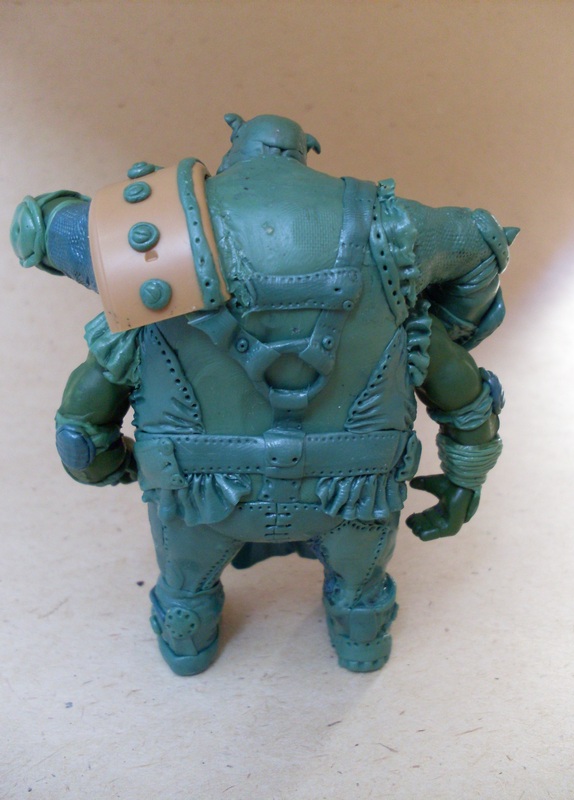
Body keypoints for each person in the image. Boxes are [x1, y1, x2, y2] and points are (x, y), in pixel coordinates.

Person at [10, 114, 517, 675]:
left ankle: (189, 648)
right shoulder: (395, 230)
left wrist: (118, 466)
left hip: (196, 495)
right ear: (305, 152)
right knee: (361, 591)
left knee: (184, 595)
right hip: (355, 492)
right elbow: (480, 257)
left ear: (235, 152)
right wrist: (464, 474)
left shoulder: (151, 236)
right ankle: (361, 645)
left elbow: (80, 427)